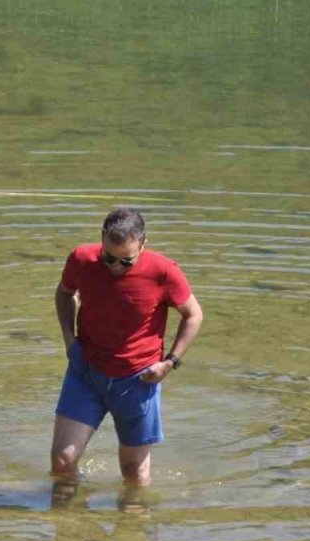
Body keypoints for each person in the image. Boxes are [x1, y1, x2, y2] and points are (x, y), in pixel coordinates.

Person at [50, 207, 203, 494]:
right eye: (108, 257)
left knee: (134, 474)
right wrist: (69, 341)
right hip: (86, 372)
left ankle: (132, 532)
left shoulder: (164, 271)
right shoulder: (81, 259)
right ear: (101, 240)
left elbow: (193, 315)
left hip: (138, 379)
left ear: (143, 244)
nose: (115, 267)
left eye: (126, 261)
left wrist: (170, 362)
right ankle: (67, 527)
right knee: (63, 461)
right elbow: (64, 293)